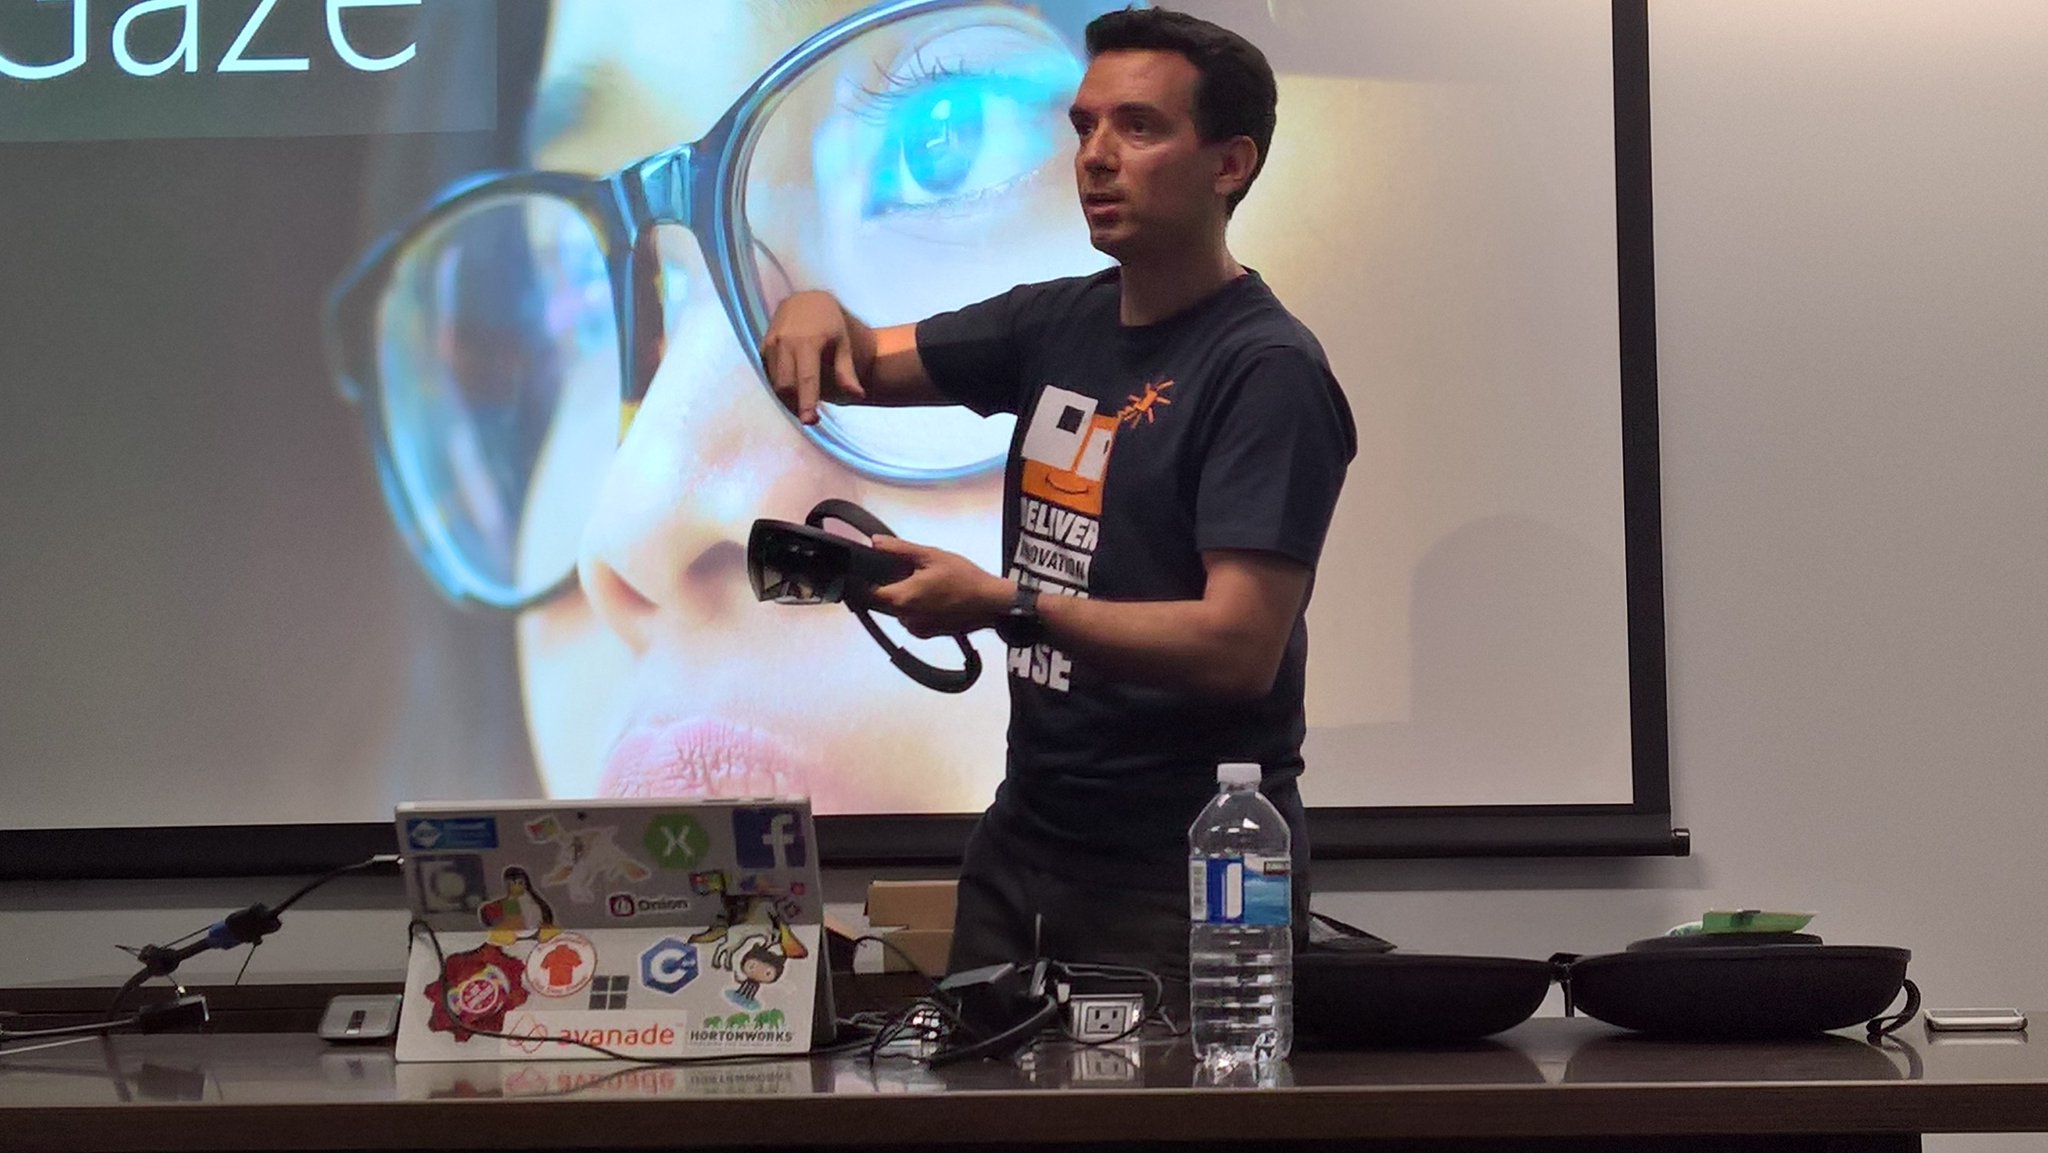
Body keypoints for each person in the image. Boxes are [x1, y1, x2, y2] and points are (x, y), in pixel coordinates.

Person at [759, 7, 1356, 995]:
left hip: (1192, 857)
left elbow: (1237, 645)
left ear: (1229, 164)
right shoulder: (1054, 321)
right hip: (1028, 837)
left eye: (1138, 127)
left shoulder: (1266, 369)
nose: (1095, 157)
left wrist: (1006, 605)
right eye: (1084, 126)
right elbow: (852, 361)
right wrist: (809, 305)